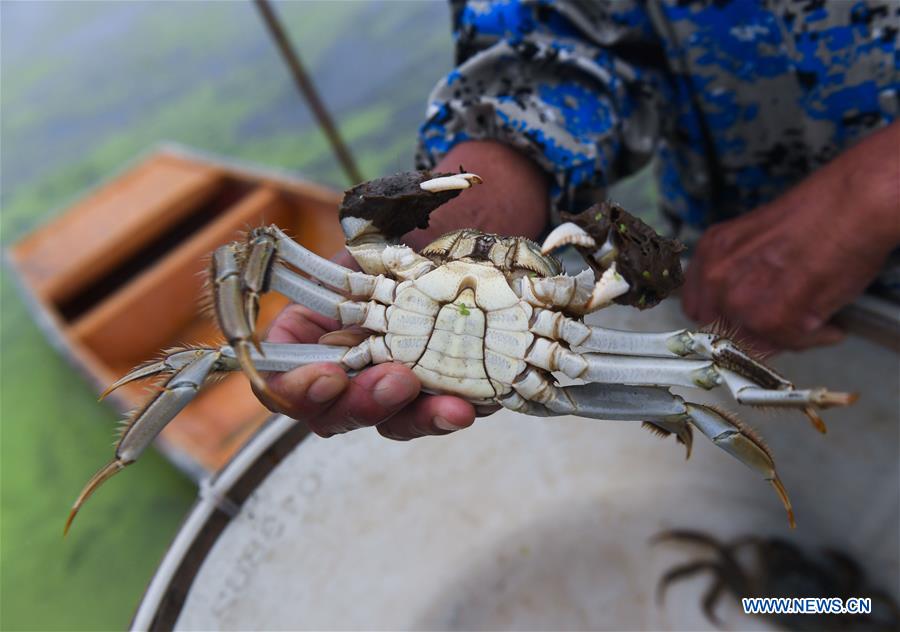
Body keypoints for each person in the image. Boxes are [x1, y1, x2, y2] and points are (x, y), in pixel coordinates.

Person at [262, 0, 899, 440]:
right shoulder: (390, 293)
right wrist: (486, 189)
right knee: (711, 387)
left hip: (787, 280)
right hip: (742, 280)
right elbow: (569, 38)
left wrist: (880, 184)